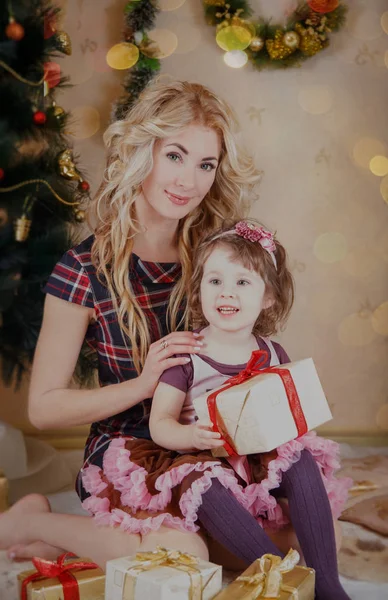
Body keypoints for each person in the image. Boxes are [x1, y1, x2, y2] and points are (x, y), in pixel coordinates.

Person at [0, 80, 262, 568]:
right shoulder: (83, 268)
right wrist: (144, 384)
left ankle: (69, 542)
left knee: (286, 538)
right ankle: (30, 523)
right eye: (176, 156)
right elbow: (43, 409)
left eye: (206, 165)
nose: (189, 180)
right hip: (127, 451)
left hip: (202, 447)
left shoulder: (216, 256)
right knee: (187, 552)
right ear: (143, 152)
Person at [80, 220, 352, 599]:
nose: (227, 293)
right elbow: (160, 424)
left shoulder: (273, 353)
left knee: (301, 460)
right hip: (197, 455)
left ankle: (326, 582)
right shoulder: (187, 354)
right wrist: (190, 436)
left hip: (255, 456)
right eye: (215, 281)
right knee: (203, 485)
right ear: (198, 292)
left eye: (243, 282)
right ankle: (277, 575)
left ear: (268, 297)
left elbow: (286, 415)